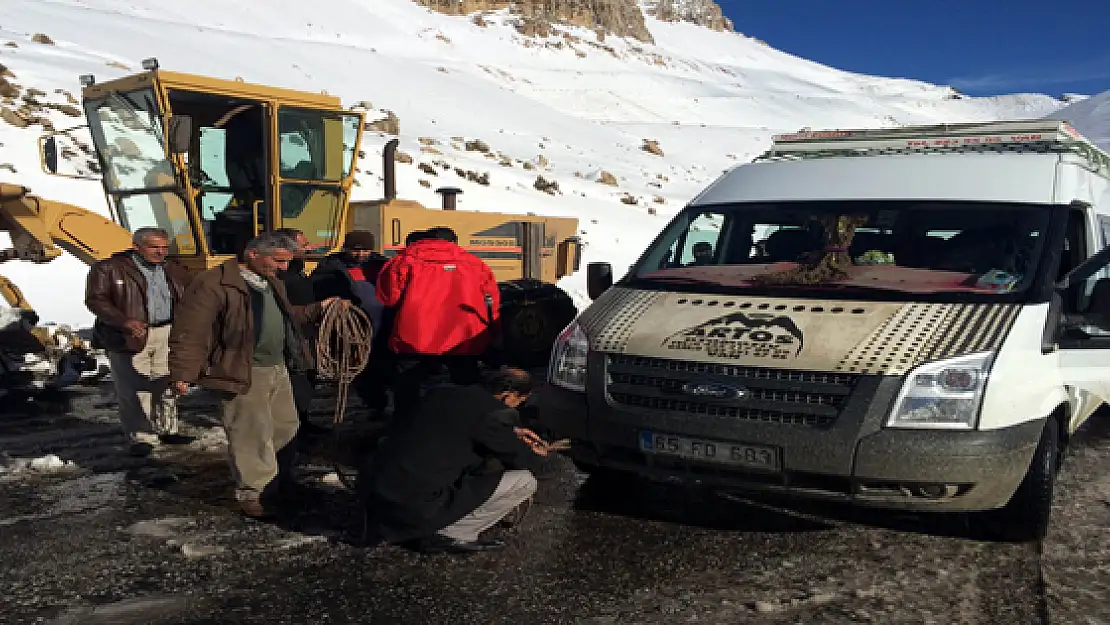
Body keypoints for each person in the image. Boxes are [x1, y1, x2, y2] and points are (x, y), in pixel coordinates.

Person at [167, 231, 344, 518]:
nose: (284, 268)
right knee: (251, 434)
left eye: (287, 262)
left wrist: (319, 309)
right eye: (279, 261)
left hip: (277, 367)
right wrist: (182, 372)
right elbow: (191, 331)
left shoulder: (270, 282)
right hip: (240, 369)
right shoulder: (214, 284)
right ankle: (254, 494)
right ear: (253, 254)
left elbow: (288, 318)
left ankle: (280, 482)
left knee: (285, 427)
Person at [359, 368, 548, 554]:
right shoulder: (495, 414)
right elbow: (523, 460)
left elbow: (460, 424)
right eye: (520, 402)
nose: (516, 408)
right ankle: (451, 533)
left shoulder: (440, 391)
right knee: (524, 481)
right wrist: (534, 450)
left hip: (376, 492)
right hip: (414, 506)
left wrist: (511, 432)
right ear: (509, 396)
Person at [84, 227, 194, 457]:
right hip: (130, 336)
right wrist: (124, 321)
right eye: (155, 247)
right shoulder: (108, 269)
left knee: (168, 383)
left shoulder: (174, 268)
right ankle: (141, 436)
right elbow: (96, 300)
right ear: (136, 246)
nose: (161, 252)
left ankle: (168, 429)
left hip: (168, 331)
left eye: (164, 247)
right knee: (134, 388)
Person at [376, 226, 502, 418]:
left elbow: (388, 298)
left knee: (408, 383)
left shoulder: (403, 261)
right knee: (466, 381)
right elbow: (491, 302)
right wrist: (494, 332)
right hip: (464, 335)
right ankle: (470, 422)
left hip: (416, 335)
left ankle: (406, 425)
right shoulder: (476, 264)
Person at [310, 230, 393, 414]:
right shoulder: (330, 267)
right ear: (345, 248)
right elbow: (319, 289)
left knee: (386, 367)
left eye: (365, 250)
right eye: (355, 250)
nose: (361, 255)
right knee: (362, 367)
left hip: (383, 326)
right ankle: (375, 405)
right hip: (353, 328)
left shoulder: (382, 265)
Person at [273, 227, 328, 437]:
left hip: (305, 332)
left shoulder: (297, 271)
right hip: (292, 336)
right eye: (303, 245)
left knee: (306, 378)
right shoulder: (283, 276)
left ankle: (302, 421)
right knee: (296, 380)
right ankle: (295, 429)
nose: (308, 248)